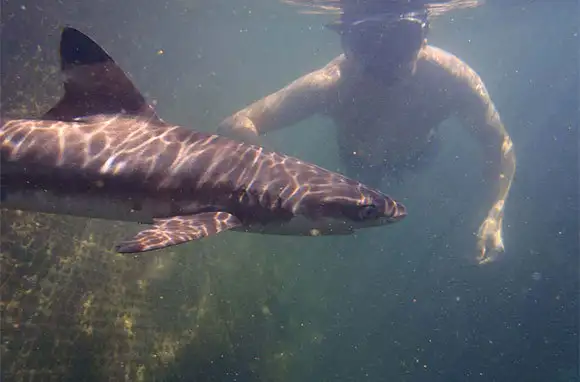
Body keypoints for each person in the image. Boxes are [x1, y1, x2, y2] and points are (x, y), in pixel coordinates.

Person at [217, 0, 516, 264]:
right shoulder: (329, 85)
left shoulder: (453, 79)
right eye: (368, 41)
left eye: (402, 38)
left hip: (417, 154)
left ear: (424, 36)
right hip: (359, 162)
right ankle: (349, 251)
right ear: (346, 43)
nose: (387, 57)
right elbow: (236, 124)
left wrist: (496, 212)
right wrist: (284, 179)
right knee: (361, 208)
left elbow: (499, 143)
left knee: (376, 203)